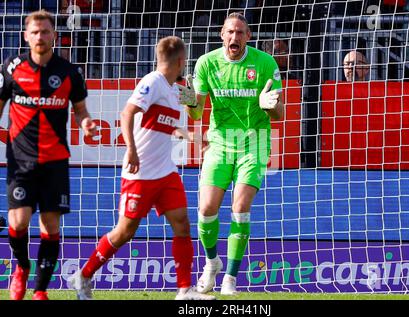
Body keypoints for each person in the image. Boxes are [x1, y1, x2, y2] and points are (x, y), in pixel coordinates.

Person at [67, 36, 216, 301]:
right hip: (140, 173)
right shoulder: (152, 82)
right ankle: (84, 275)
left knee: (182, 223)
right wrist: (132, 150)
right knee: (125, 232)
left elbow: (164, 124)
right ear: (181, 61)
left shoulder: (172, 90)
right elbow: (127, 113)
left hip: (166, 172)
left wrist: (190, 136)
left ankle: (184, 290)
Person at [178, 12, 284, 295]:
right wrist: (189, 100)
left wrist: (267, 104)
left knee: (240, 208)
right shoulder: (207, 63)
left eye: (240, 33)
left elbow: (279, 114)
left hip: (255, 142)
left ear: (248, 36)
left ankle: (230, 279)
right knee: (206, 209)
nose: (234, 37)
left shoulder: (265, 63)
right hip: (220, 144)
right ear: (221, 35)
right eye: (230, 32)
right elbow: (198, 112)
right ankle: (212, 263)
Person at [0, 10, 97, 300]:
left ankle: (40, 291)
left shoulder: (69, 72)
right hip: (21, 159)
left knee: (51, 225)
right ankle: (21, 267)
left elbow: (81, 112)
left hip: (55, 161)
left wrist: (87, 125)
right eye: (35, 32)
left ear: (54, 34)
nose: (40, 37)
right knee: (18, 222)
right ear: (26, 36)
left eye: (45, 31)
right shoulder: (11, 68)